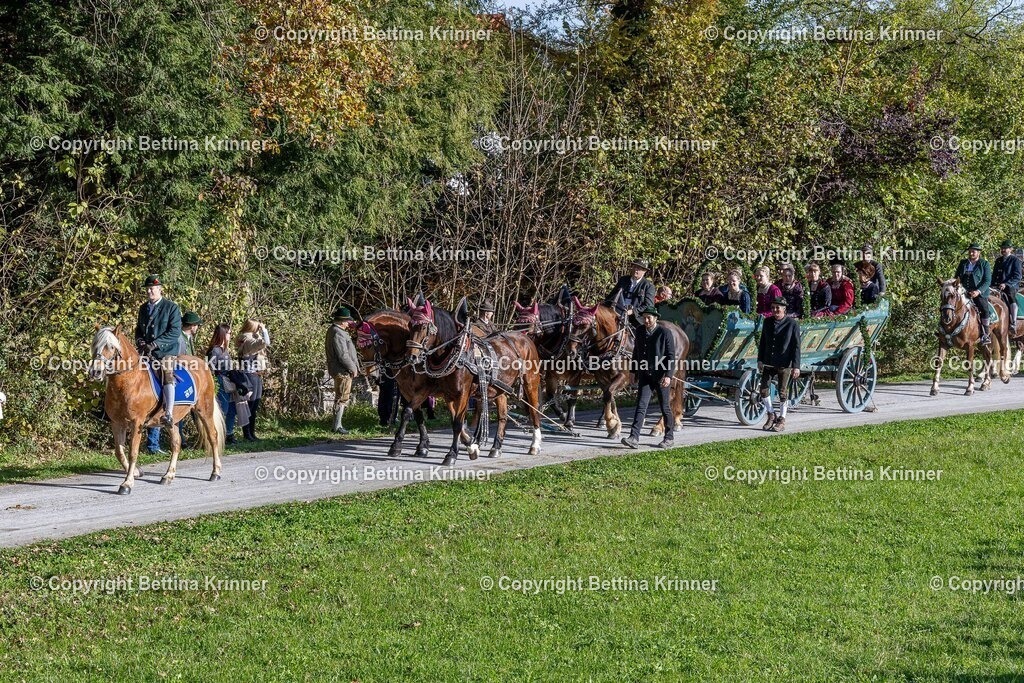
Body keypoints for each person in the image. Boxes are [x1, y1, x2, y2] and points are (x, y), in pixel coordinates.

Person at [621, 306, 676, 450]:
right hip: (645, 375)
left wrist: (668, 376)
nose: (646, 320)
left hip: (661, 376)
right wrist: (633, 371)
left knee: (664, 407)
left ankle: (669, 437)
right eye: (644, 317)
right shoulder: (639, 331)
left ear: (655, 318)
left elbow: (671, 356)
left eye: (649, 318)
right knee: (641, 405)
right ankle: (634, 437)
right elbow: (636, 352)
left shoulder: (665, 333)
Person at [135, 274, 182, 428]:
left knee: (167, 373)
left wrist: (155, 344)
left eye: (152, 288)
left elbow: (175, 332)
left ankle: (168, 413)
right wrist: (140, 340)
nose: (149, 291)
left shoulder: (171, 307)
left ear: (160, 289)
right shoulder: (143, 308)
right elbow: (139, 329)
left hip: (165, 351)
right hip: (146, 352)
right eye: (147, 289)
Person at [758, 296, 801, 433]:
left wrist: (796, 366)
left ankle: (782, 419)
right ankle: (771, 414)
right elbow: (763, 342)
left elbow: (796, 346)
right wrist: (760, 359)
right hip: (769, 362)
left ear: (784, 309)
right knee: (763, 389)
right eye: (773, 308)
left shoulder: (792, 324)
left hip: (784, 363)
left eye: (778, 308)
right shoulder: (767, 322)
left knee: (782, 392)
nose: (775, 310)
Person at [325, 306, 359, 434]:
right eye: (346, 320)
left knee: (342, 396)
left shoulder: (336, 331)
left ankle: (337, 425)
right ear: (341, 321)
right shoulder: (337, 332)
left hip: (341, 369)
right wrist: (352, 367)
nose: (348, 323)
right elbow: (342, 354)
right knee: (342, 397)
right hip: (342, 370)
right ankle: (337, 426)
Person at [237, 319, 270, 440]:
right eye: (257, 328)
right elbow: (266, 342)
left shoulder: (245, 339)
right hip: (251, 376)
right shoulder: (249, 341)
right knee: (251, 406)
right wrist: (264, 330)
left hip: (252, 375)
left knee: (253, 406)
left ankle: (251, 433)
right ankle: (248, 434)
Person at [955, 242, 993, 346]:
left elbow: (987, 281)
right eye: (970, 251)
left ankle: (985, 335)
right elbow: (957, 278)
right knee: (950, 305)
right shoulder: (963, 263)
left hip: (979, 293)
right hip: (964, 292)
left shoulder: (984, 264)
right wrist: (960, 289)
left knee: (984, 309)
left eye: (973, 251)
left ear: (978, 253)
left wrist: (978, 291)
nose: (971, 253)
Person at [206, 323, 238, 445]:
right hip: (220, 381)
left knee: (231, 409)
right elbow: (210, 368)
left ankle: (228, 433)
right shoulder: (215, 350)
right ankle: (216, 436)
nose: (230, 335)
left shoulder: (225, 350)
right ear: (223, 334)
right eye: (229, 333)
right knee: (222, 409)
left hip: (228, 381)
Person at [993, 239, 1021, 325]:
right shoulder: (998, 260)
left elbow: (1017, 276)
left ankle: (1013, 321)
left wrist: (1006, 284)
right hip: (997, 286)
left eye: (1005, 248)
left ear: (1011, 249)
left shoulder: (1015, 260)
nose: (1003, 250)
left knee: (1010, 296)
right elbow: (994, 275)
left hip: (1011, 286)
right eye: (1002, 248)